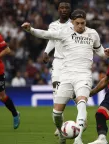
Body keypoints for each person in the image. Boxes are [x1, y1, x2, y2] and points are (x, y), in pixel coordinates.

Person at [21, 9, 109, 144]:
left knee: (82, 104)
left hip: (84, 75)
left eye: (83, 23)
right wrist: (31, 30)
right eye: (78, 23)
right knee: (57, 113)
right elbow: (46, 34)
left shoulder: (93, 34)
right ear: (72, 22)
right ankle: (61, 133)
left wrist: (106, 53)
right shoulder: (65, 32)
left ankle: (78, 138)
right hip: (66, 76)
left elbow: (100, 51)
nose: (81, 26)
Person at [41, 0, 73, 136]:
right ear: (58, 10)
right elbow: (52, 39)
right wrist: (46, 52)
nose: (64, 9)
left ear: (69, 10)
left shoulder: (74, 24)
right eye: (62, 7)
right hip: (58, 62)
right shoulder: (53, 25)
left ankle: (82, 120)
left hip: (73, 62)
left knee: (76, 94)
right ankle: (59, 126)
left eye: (66, 8)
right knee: (56, 93)